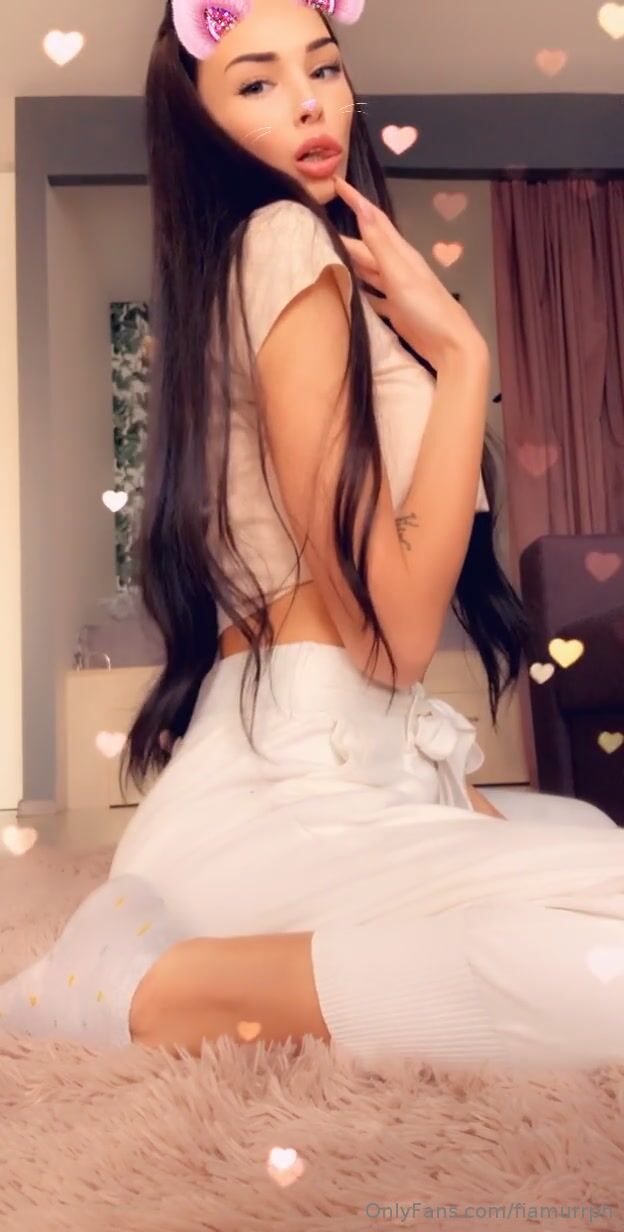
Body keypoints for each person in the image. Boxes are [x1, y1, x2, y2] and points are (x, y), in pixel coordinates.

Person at [2, 0, 624, 1074]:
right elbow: (393, 636)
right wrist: (465, 358)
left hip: (336, 764)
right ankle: (154, 988)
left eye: (323, 67)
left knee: (587, 841)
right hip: (286, 786)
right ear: (200, 123)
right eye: (255, 81)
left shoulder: (304, 273)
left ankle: (203, 940)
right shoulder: (283, 242)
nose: (308, 102)